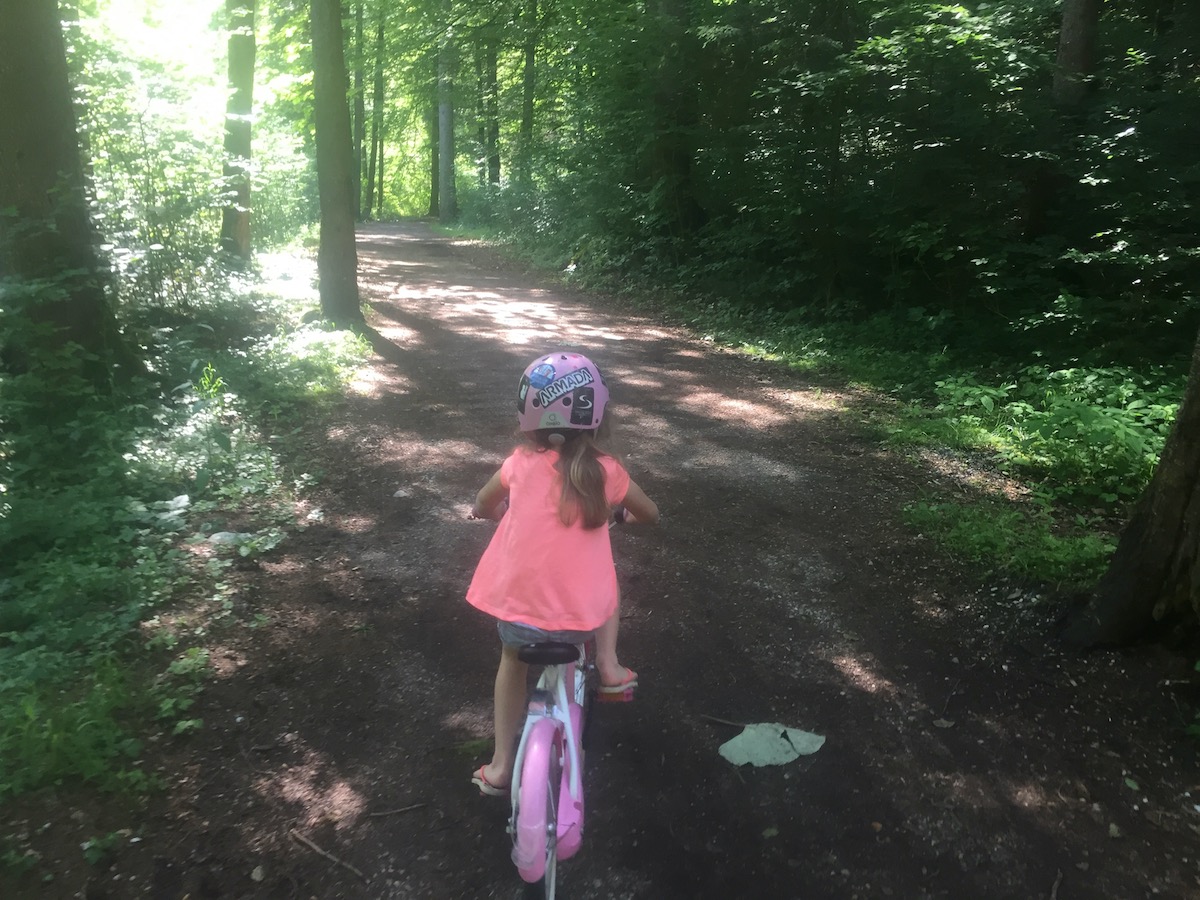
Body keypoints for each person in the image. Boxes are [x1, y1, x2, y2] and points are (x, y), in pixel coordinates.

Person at [465, 351, 659, 796]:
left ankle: (499, 766)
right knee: (605, 577)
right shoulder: (607, 472)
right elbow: (651, 513)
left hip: (519, 614)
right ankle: (608, 665)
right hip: (580, 621)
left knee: (510, 662)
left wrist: (497, 515)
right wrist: (624, 516)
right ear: (597, 416)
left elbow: (481, 504)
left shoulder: (517, 464)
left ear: (527, 415)